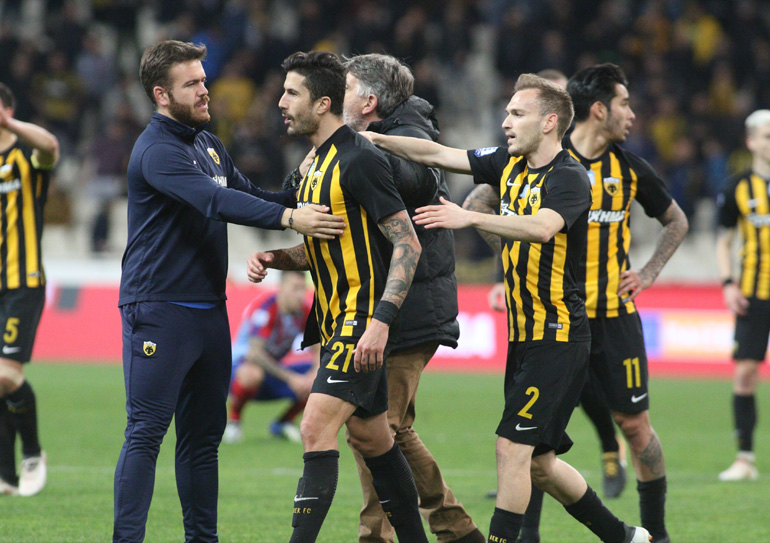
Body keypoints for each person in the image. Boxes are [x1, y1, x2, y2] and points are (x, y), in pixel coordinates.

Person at [365, 73, 650, 543]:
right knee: (539, 464)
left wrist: (468, 216)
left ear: (549, 122)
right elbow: (438, 154)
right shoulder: (507, 163)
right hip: (525, 336)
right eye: (507, 113)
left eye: (517, 114)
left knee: (511, 448)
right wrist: (373, 139)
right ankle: (624, 536)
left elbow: (542, 227)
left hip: (558, 335)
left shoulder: (569, 177)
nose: (506, 122)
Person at [113, 40, 345, 543]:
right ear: (161, 94)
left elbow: (252, 197)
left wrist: (300, 183)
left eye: (203, 79)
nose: (205, 90)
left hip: (208, 313)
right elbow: (214, 202)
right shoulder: (156, 150)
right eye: (191, 84)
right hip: (159, 310)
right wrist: (290, 217)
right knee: (146, 434)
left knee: (203, 442)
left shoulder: (208, 143)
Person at [469, 65, 687, 543]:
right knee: (529, 440)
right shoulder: (542, 157)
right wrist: (514, 266)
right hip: (553, 318)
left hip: (611, 316)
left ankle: (655, 533)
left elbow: (677, 220)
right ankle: (531, 533)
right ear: (600, 109)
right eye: (625, 103)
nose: (632, 114)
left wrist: (648, 273)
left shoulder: (630, 168)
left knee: (633, 426)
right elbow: (481, 202)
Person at [246, 50, 428, 543]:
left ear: (323, 103)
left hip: (360, 319)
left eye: (292, 93)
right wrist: (275, 257)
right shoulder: (314, 166)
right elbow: (324, 248)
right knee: (371, 436)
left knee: (314, 428)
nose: (281, 102)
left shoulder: (358, 158)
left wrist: (381, 321)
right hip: (334, 321)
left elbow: (407, 243)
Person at [342, 53, 485, 543]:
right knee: (381, 428)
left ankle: (381, 534)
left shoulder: (411, 136)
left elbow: (416, 178)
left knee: (377, 429)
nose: (338, 98)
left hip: (411, 307)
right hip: (394, 304)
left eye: (346, 88)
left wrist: (360, 152)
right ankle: (453, 527)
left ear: (369, 101)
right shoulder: (386, 133)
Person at [0, 82, 59, 497]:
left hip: (23, 280)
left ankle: (34, 454)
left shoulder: (26, 154)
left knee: (6, 375)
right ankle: (5, 475)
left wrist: (11, 123)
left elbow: (51, 147)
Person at [715, 108, 770, 482]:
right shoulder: (737, 187)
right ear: (751, 142)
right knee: (746, 373)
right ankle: (745, 459)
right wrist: (728, 283)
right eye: (766, 135)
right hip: (754, 292)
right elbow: (724, 240)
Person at [222, 270, 318, 444]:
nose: (300, 294)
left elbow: (319, 349)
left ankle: (283, 423)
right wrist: (291, 378)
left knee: (322, 377)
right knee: (252, 373)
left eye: (302, 288)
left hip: (272, 372)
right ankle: (234, 421)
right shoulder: (266, 309)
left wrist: (314, 372)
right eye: (295, 288)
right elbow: (254, 354)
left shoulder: (305, 311)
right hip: (238, 370)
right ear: (281, 287)